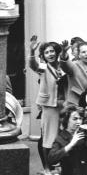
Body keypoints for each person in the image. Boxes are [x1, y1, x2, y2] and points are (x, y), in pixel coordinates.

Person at [28, 38, 66, 167]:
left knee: (62, 136)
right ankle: (46, 167)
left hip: (64, 105)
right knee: (48, 138)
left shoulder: (62, 66)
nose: (50, 54)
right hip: (50, 106)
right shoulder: (44, 67)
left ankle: (59, 165)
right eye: (47, 52)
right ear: (43, 55)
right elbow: (34, 65)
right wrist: (32, 51)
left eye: (52, 51)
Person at [60, 40, 87, 107]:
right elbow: (65, 65)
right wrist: (64, 53)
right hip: (76, 104)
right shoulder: (75, 66)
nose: (86, 54)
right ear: (79, 55)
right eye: (83, 52)